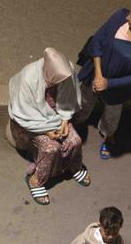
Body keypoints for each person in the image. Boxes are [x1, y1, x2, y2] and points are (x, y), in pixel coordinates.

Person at [74, 0, 131, 159]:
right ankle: (77, 123)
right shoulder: (119, 17)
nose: (126, 18)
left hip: (118, 89)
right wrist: (98, 75)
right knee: (84, 101)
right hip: (95, 76)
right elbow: (98, 41)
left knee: (112, 114)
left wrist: (108, 83)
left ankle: (108, 134)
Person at [7, 47, 88, 205]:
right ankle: (36, 180)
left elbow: (69, 98)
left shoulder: (66, 71)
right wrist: (47, 131)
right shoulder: (27, 78)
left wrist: (65, 119)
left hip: (56, 118)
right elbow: (24, 113)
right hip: (33, 122)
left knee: (75, 141)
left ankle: (74, 167)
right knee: (51, 148)